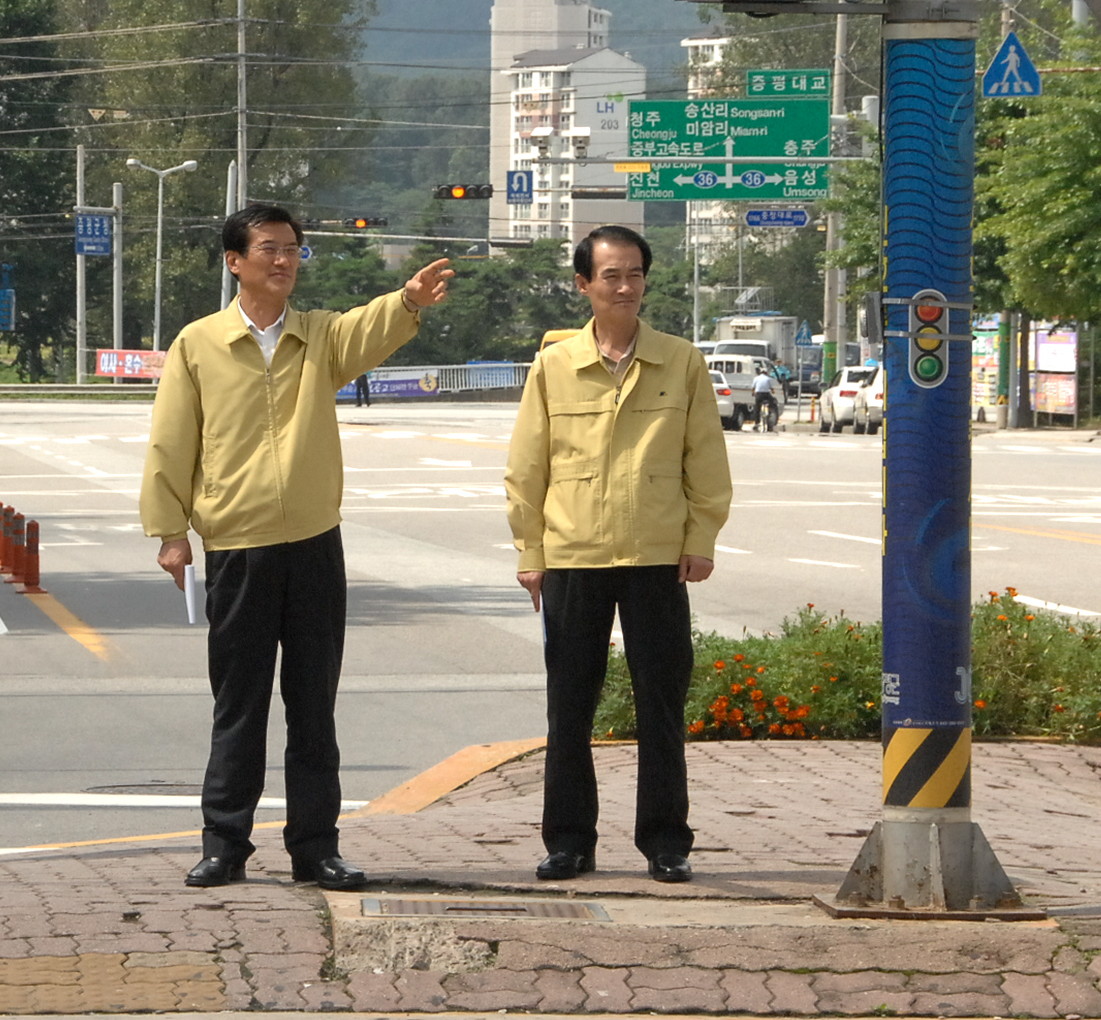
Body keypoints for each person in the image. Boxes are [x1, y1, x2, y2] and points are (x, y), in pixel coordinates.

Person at [141, 204, 455, 891]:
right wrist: (170, 532)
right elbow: (171, 440)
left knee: (314, 707)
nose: (284, 260)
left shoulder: (318, 337)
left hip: (314, 544)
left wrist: (407, 300)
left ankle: (316, 849)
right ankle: (225, 844)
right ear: (235, 261)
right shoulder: (199, 344)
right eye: (269, 249)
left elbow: (367, 327)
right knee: (240, 705)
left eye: (292, 250)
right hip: (237, 547)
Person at [505, 225, 731, 885]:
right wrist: (530, 551)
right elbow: (527, 468)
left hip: (656, 556)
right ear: (584, 285)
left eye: (634, 274)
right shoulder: (553, 367)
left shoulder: (680, 361)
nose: (625, 286)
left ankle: (665, 841)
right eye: (611, 276)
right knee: (569, 706)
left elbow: (705, 459)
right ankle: (569, 842)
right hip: (573, 555)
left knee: (661, 704)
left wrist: (700, 539)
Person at [752, 366, 777, 431]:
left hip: (758, 394)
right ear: (766, 373)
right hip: (766, 394)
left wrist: (753, 393)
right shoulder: (768, 379)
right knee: (772, 404)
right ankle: (770, 415)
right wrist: (773, 392)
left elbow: (753, 388)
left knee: (757, 408)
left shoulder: (756, 378)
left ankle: (756, 423)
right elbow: (771, 388)